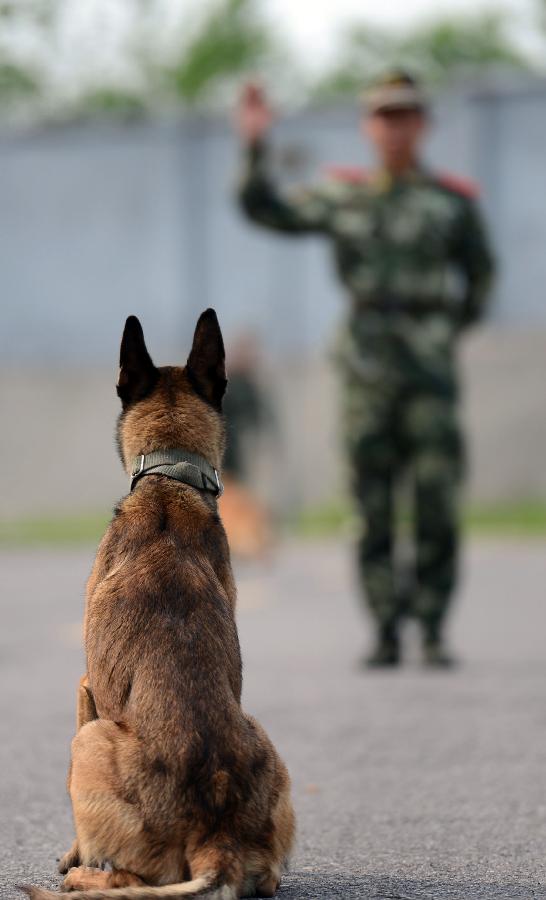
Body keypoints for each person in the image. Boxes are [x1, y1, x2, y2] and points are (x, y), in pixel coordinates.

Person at [235, 71, 495, 667]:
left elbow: (481, 275)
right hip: (366, 370)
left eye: (404, 114)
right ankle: (384, 628)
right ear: (367, 126)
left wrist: (447, 327)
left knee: (435, 498)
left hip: (429, 372)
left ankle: (430, 627)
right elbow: (265, 209)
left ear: (421, 124)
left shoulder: (451, 203)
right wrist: (254, 143)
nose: (393, 125)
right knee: (371, 501)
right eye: (382, 115)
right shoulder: (343, 195)